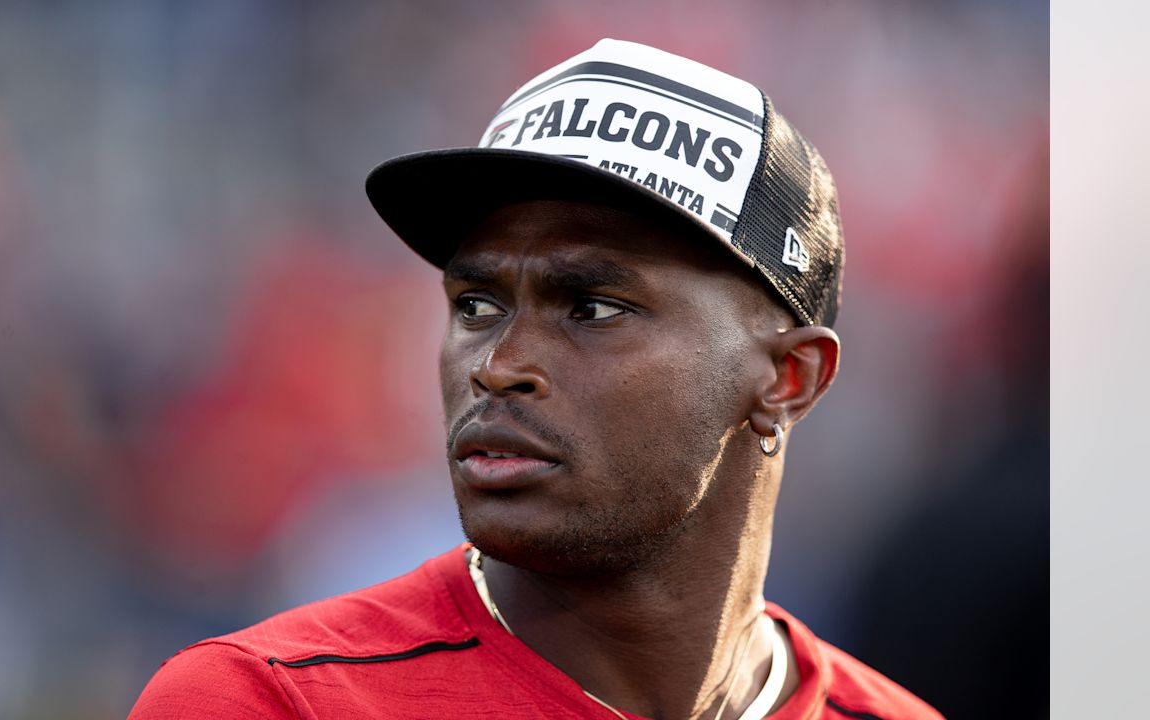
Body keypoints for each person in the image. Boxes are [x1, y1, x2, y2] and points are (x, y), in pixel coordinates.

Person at [129, 39, 943, 720]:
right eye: (477, 304)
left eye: (591, 308)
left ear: (789, 377)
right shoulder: (263, 703)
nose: (498, 365)